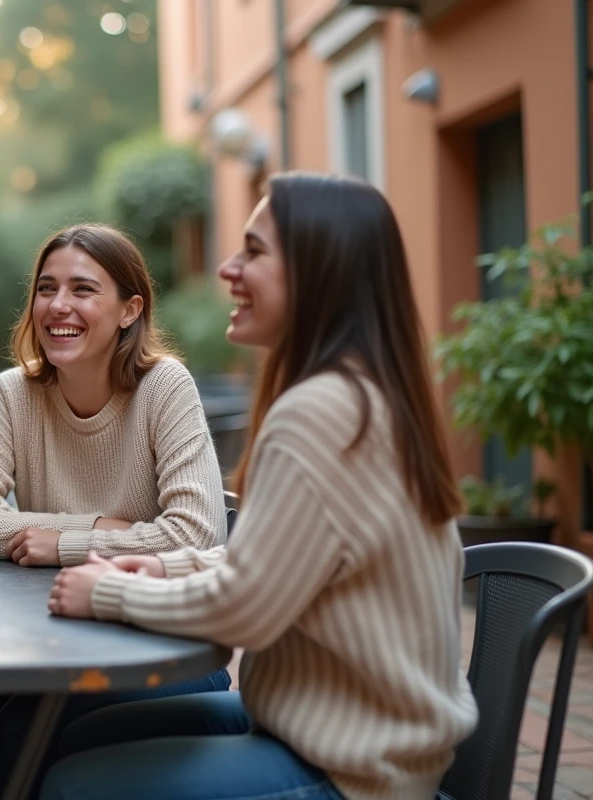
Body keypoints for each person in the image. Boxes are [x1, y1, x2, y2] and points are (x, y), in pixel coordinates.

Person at [43, 173, 480, 800]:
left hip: (359, 767)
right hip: (324, 723)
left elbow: (246, 608)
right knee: (82, 731)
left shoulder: (323, 412)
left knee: (73, 784)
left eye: (253, 251)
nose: (228, 267)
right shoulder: (356, 393)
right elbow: (283, 560)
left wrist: (111, 593)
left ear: (316, 269)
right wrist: (170, 570)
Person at [0, 223, 231, 800]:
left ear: (130, 310)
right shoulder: (13, 394)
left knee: (23, 723)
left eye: (83, 289)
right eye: (46, 288)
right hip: (49, 633)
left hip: (160, 646)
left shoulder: (164, 387)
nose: (59, 306)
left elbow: (198, 535)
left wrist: (60, 545)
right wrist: (98, 529)